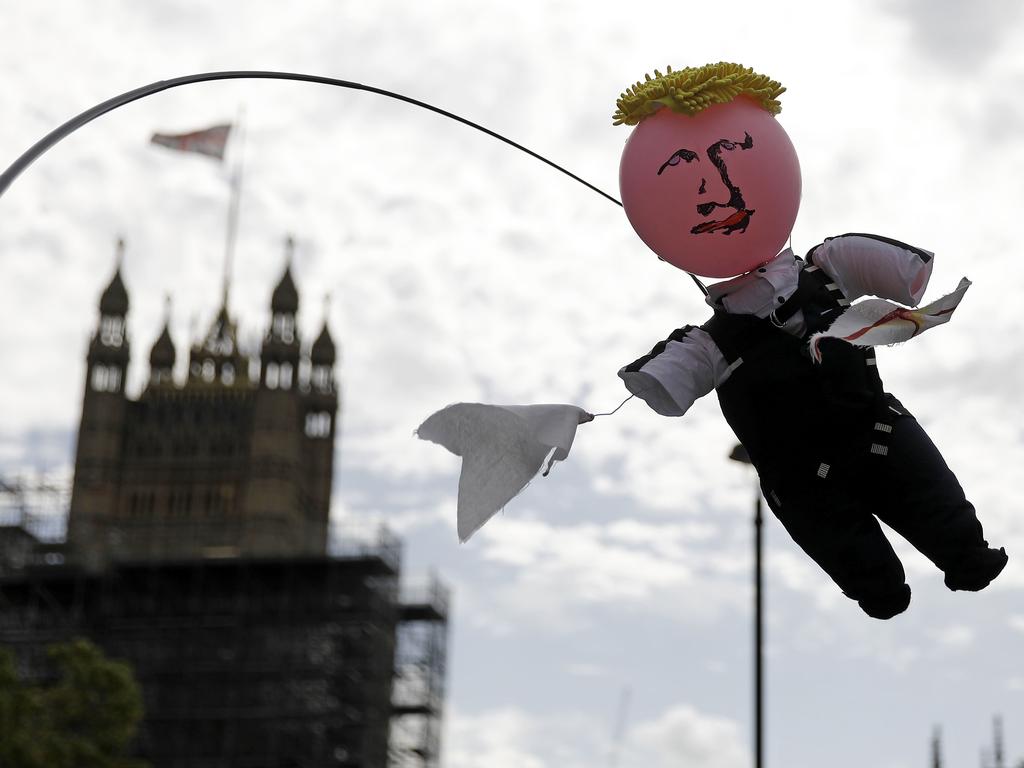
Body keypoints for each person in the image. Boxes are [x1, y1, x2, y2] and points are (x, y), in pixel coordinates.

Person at [614, 63, 1007, 619]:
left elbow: (905, 273)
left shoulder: (827, 267)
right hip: (805, 485)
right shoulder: (713, 343)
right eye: (686, 169)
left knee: (953, 532)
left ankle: (960, 556)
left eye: (734, 157)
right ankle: (888, 584)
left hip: (877, 431)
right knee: (872, 579)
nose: (719, 188)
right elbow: (662, 383)